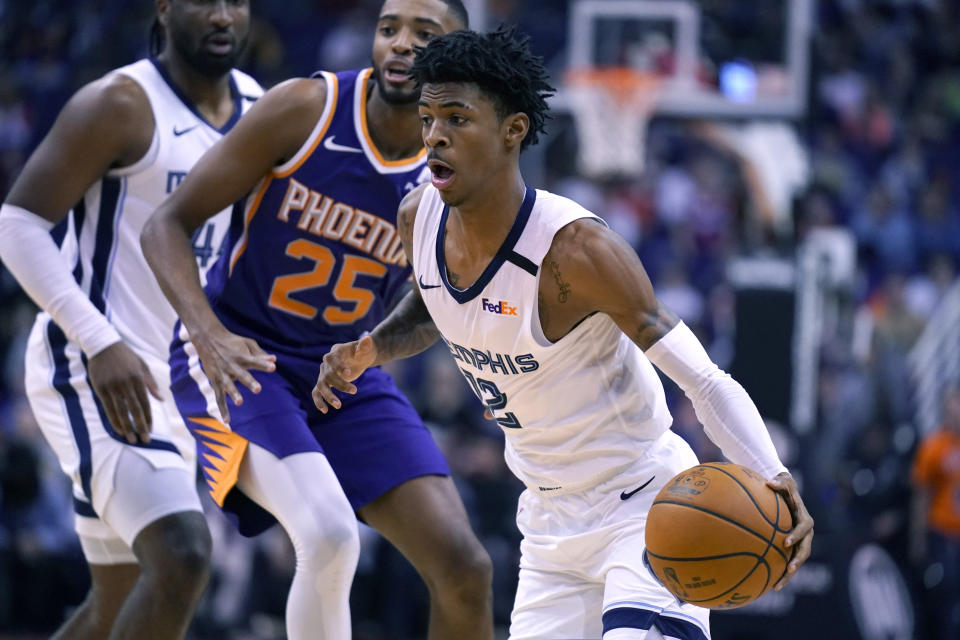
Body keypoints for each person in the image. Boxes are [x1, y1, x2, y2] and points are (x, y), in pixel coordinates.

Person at [314, 26, 816, 640]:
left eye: (456, 118)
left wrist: (775, 474)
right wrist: (375, 346)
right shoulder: (417, 216)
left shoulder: (576, 251)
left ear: (513, 131)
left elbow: (704, 383)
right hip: (548, 523)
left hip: (644, 508)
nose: (435, 135)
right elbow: (431, 306)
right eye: (426, 118)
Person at [141, 1, 493, 638]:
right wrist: (207, 334)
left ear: (460, 55)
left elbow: (439, 301)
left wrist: (375, 350)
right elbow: (166, 224)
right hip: (243, 355)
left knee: (465, 567)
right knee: (329, 536)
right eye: (389, 29)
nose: (400, 45)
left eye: (425, 33)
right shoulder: (306, 108)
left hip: (342, 371)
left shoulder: (456, 165)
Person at [0, 1, 261, 638]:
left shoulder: (260, 107)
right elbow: (16, 225)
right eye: (205, 0)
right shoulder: (120, 103)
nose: (223, 15)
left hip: (182, 381)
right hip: (94, 368)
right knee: (183, 556)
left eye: (236, 1)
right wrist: (99, 341)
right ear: (166, 8)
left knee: (118, 606)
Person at [910, 385, 960, 639]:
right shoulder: (934, 446)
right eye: (950, 405)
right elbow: (922, 496)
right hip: (943, 533)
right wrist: (918, 538)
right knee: (944, 592)